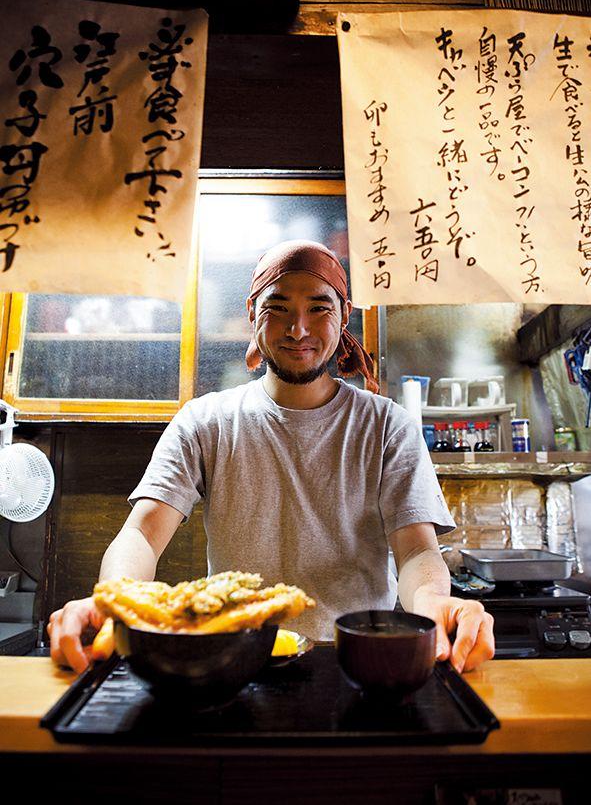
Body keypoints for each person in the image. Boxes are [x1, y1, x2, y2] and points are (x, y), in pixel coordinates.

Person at [49, 240, 494, 675]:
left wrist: (434, 603)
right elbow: (144, 534)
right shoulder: (206, 421)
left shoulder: (387, 426)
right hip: (232, 659)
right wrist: (114, 600)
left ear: (344, 317)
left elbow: (416, 550)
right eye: (278, 308)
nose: (298, 329)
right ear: (252, 313)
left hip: (355, 661)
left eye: (318, 309)